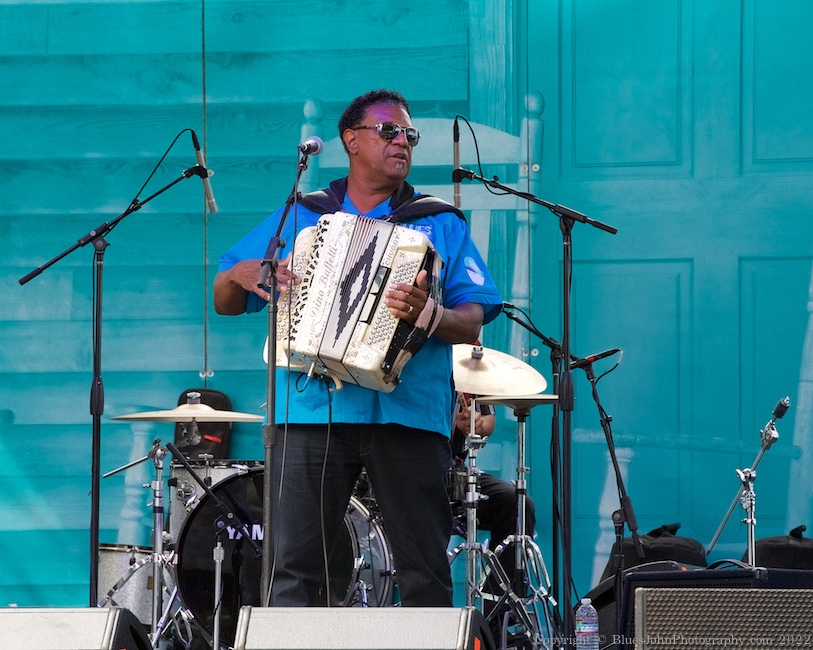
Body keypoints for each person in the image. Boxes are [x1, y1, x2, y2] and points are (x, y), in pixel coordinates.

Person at [213, 88, 503, 607]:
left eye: (409, 135)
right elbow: (226, 300)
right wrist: (239, 272)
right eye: (389, 131)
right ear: (351, 140)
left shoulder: (439, 221)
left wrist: (431, 313)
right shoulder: (303, 215)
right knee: (295, 572)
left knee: (424, 572)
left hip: (408, 414)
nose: (403, 142)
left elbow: (473, 318)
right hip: (308, 410)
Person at [451, 392, 537, 610]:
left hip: (456, 471)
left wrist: (476, 424)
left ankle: (498, 616)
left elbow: (488, 421)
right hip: (416, 469)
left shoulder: (468, 369)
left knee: (517, 505)